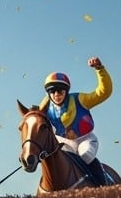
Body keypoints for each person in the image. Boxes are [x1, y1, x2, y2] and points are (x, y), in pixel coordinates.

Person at [38, 56, 114, 185]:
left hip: (85, 139)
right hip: (63, 142)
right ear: (48, 93)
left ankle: (104, 183)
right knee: (56, 163)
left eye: (60, 90)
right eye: (52, 91)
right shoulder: (44, 107)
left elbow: (103, 92)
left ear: (66, 91)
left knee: (85, 156)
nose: (56, 94)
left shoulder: (80, 99)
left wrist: (99, 69)